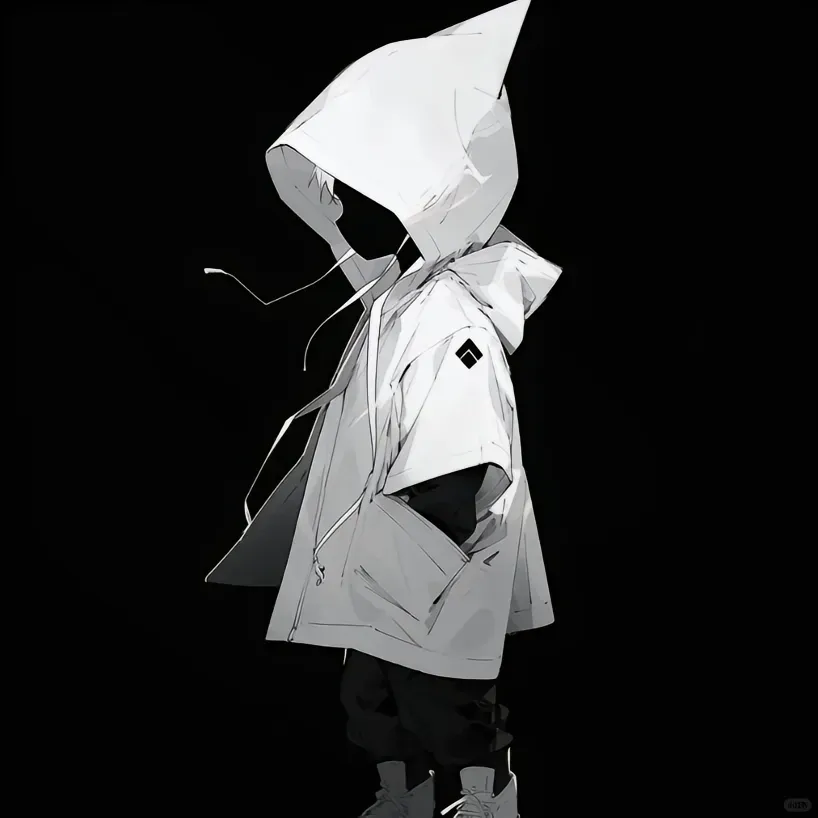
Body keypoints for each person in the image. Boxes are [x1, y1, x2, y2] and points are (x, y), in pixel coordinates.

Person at [204, 3, 561, 815]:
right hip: (387, 551)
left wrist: (424, 544)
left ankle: (481, 801)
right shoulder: (413, 295)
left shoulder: (455, 316)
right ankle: (401, 799)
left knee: (442, 698)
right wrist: (329, 229)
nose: (363, 207)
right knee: (372, 698)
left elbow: (463, 445)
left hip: (426, 544)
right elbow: (377, 287)